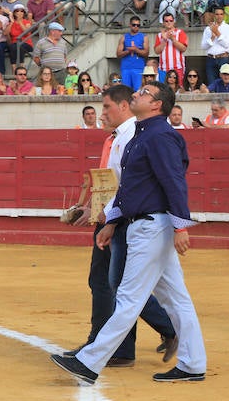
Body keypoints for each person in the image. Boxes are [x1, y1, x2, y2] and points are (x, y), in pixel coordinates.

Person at [51, 81, 207, 384]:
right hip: (145, 223)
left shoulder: (160, 135)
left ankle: (89, 361)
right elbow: (132, 189)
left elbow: (174, 182)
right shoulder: (142, 135)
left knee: (128, 297)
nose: (138, 93)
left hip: (152, 226)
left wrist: (180, 226)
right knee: (177, 300)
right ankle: (193, 363)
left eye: (145, 92)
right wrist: (110, 219)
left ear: (156, 105)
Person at [62, 85, 177, 367]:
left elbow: (127, 184)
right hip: (111, 217)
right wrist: (91, 207)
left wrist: (109, 217)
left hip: (122, 220)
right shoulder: (116, 138)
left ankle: (162, 331)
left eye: (106, 107)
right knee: (110, 283)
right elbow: (110, 183)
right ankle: (120, 346)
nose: (101, 114)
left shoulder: (129, 137)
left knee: (114, 284)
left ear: (123, 107)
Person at [201, 6, 229, 86]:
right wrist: (212, 38)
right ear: (213, 15)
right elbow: (203, 47)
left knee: (225, 84)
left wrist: (217, 33)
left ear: (224, 15)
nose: (219, 16)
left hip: (223, 58)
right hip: (210, 58)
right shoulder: (207, 29)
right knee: (212, 85)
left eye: (221, 14)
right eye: (217, 14)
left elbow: (226, 44)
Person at [116, 17, 149, 90]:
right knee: (126, 91)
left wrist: (136, 50)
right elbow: (118, 54)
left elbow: (146, 53)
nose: (136, 27)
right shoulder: (124, 37)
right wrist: (128, 51)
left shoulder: (144, 37)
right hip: (126, 68)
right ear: (130, 25)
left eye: (138, 25)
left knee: (138, 90)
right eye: (134, 25)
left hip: (138, 68)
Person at [154, 12, 188, 83]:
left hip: (177, 68)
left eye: (171, 21)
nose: (168, 23)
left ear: (174, 22)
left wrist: (173, 39)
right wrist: (164, 40)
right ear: (163, 23)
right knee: (163, 91)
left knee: (177, 89)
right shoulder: (160, 35)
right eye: (166, 21)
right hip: (163, 69)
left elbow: (183, 49)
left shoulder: (180, 32)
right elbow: (157, 51)